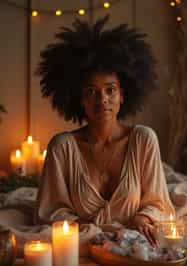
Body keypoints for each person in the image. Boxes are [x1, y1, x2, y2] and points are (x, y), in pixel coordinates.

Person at [35, 16, 174, 246]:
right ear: (79, 98)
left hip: (135, 246)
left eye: (110, 90)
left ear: (123, 95)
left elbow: (158, 203)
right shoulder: (62, 147)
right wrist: (91, 232)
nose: (103, 100)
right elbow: (50, 212)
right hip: (83, 245)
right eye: (92, 91)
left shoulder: (143, 139)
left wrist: (142, 217)